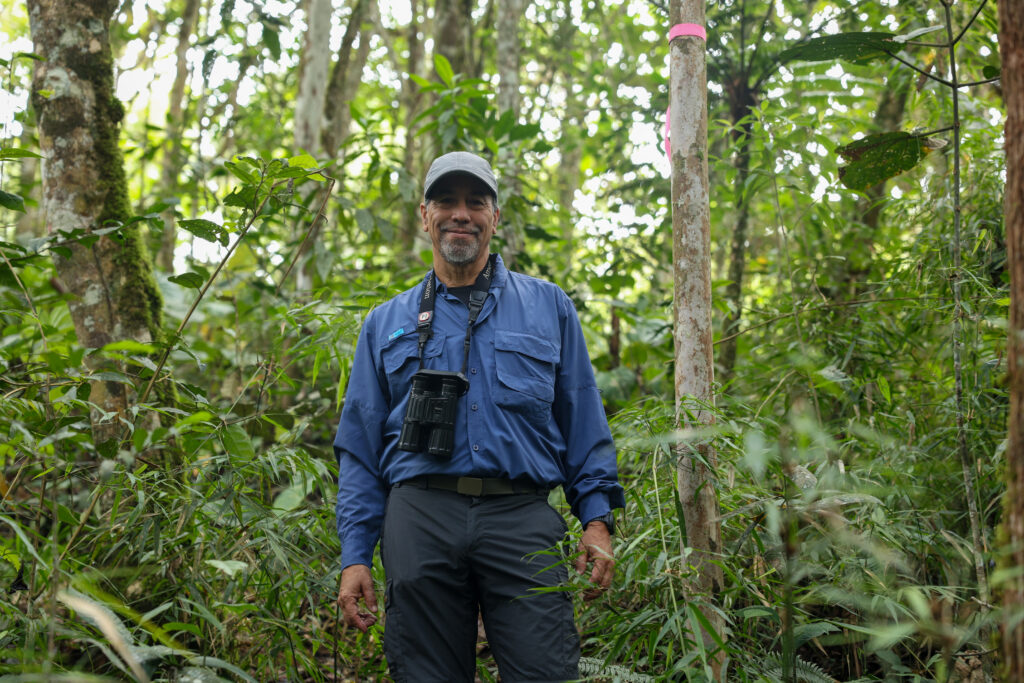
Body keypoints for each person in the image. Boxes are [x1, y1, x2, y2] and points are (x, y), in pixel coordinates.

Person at [334, 151, 625, 682]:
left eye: (476, 202)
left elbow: (583, 419)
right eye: (446, 201)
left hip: (520, 516)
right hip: (419, 516)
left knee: (545, 671)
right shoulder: (385, 323)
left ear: (496, 217)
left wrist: (597, 521)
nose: (460, 214)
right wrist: (356, 555)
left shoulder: (549, 306)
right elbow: (359, 449)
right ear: (424, 215)